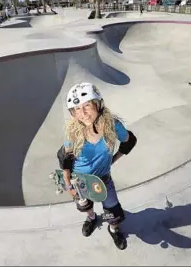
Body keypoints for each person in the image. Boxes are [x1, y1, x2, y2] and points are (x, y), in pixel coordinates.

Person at [57, 82, 137, 250]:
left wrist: (113, 159)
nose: (83, 113)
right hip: (79, 179)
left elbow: (129, 141)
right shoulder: (72, 131)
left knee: (113, 210)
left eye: (87, 106)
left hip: (104, 178)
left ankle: (113, 228)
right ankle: (92, 218)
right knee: (85, 205)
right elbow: (65, 157)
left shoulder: (113, 125)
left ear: (98, 105)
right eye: (77, 109)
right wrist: (67, 182)